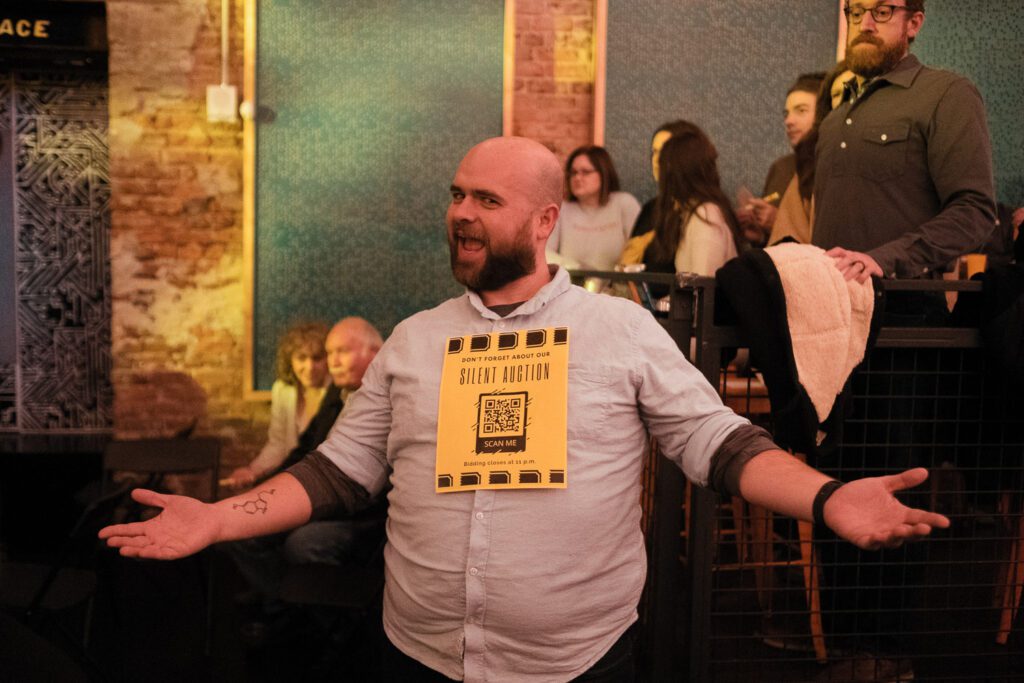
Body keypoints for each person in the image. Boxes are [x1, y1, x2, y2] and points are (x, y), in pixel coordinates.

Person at [100, 136, 949, 682]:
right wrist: (219, 520)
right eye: (456, 194)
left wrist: (827, 497)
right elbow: (338, 471)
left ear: (544, 221)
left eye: (486, 201)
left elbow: (717, 442)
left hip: (575, 665)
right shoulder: (414, 340)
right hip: (417, 655)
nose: (460, 214)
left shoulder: (618, 331)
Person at [813, 0, 995, 294]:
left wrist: (885, 259)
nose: (865, 24)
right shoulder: (834, 118)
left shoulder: (946, 94)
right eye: (856, 12)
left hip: (903, 306)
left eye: (882, 11)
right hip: (828, 303)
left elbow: (975, 212)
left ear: (914, 23)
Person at [223, 317, 386, 642]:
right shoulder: (336, 392)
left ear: (375, 352)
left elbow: (372, 488)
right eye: (330, 352)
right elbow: (303, 451)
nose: (333, 361)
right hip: (321, 499)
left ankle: (329, 629)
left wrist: (297, 505)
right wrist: (268, 491)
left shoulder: (389, 399)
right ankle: (285, 605)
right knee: (238, 527)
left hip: (360, 515)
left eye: (342, 352)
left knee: (303, 542)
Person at [223, 322, 330, 489]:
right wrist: (252, 471)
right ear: (290, 360)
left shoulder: (339, 393)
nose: (309, 367)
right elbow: (278, 445)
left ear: (328, 359)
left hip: (327, 480)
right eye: (301, 358)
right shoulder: (283, 390)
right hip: (294, 478)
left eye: (317, 358)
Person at [767, 61, 856, 246]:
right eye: (836, 95)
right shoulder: (791, 168)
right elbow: (788, 237)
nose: (789, 121)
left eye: (801, 110)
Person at [642, 126, 742, 278]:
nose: (655, 164)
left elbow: (703, 284)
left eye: (663, 161)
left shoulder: (705, 216)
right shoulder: (692, 213)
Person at [738, 72, 825, 247]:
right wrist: (760, 236)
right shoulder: (781, 167)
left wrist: (779, 221)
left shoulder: (831, 166)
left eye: (801, 111)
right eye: (786, 114)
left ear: (824, 113)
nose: (789, 121)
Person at [545, 145, 640, 271]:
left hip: (618, 283)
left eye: (585, 172)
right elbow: (546, 254)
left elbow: (639, 253)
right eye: (573, 173)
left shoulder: (624, 203)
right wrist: (578, 268)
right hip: (574, 282)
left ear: (604, 173)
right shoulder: (562, 210)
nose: (577, 178)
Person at [630, 119, 706, 239]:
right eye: (655, 152)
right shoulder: (651, 209)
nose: (656, 160)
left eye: (665, 152)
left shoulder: (703, 211)